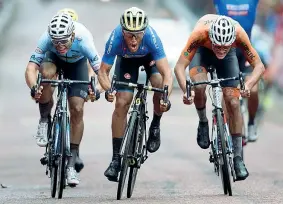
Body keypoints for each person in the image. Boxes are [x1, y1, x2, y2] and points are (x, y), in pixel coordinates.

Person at [174, 14, 265, 180]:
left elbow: (259, 66)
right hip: (202, 52)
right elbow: (179, 67)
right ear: (211, 37)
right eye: (218, 46)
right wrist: (186, 91)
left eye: (225, 46)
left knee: (233, 101)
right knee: (200, 87)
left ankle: (238, 159)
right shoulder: (200, 34)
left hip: (229, 59)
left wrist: (248, 85)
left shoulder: (239, 34)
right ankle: (203, 122)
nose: (221, 50)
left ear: (231, 40)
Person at [25, 13, 101, 186]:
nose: (59, 45)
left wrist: (98, 89)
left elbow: (101, 72)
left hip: (77, 64)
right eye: (55, 41)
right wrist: (33, 87)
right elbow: (30, 68)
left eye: (63, 41)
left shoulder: (84, 39)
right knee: (46, 75)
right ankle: (45, 119)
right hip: (52, 61)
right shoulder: (46, 38)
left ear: (72, 36)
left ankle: (71, 164)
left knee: (77, 109)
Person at [98, 7, 173, 182]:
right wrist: (109, 89)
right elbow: (103, 72)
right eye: (129, 34)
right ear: (122, 31)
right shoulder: (115, 38)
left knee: (158, 84)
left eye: (137, 34)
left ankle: (155, 125)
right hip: (126, 62)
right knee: (121, 103)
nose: (133, 39)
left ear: (144, 31)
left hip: (149, 60)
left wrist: (165, 98)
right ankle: (116, 159)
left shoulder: (151, 38)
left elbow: (167, 74)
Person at [213, 0, 260, 142]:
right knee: (227, 94)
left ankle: (251, 122)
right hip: (226, 51)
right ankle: (222, 132)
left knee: (254, 89)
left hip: (245, 51)